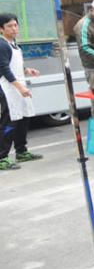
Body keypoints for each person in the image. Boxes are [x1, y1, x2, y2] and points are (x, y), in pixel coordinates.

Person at [0, 13, 42, 170]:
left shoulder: (13, 43)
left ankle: (21, 151)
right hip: (8, 88)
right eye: (9, 26)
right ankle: (2, 157)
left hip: (18, 86)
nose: (14, 28)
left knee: (23, 119)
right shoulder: (2, 45)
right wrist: (20, 87)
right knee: (8, 122)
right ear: (1, 29)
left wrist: (27, 69)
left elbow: (14, 64)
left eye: (15, 25)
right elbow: (4, 68)